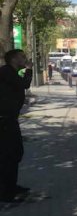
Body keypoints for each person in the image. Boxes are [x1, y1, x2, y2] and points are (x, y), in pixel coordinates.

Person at [0, 49, 33, 203]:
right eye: (22, 57)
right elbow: (24, 84)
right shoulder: (6, 72)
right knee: (9, 155)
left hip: (9, 120)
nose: (24, 59)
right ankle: (7, 192)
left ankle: (10, 187)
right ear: (13, 59)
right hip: (4, 122)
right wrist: (29, 69)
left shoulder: (9, 73)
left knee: (15, 153)